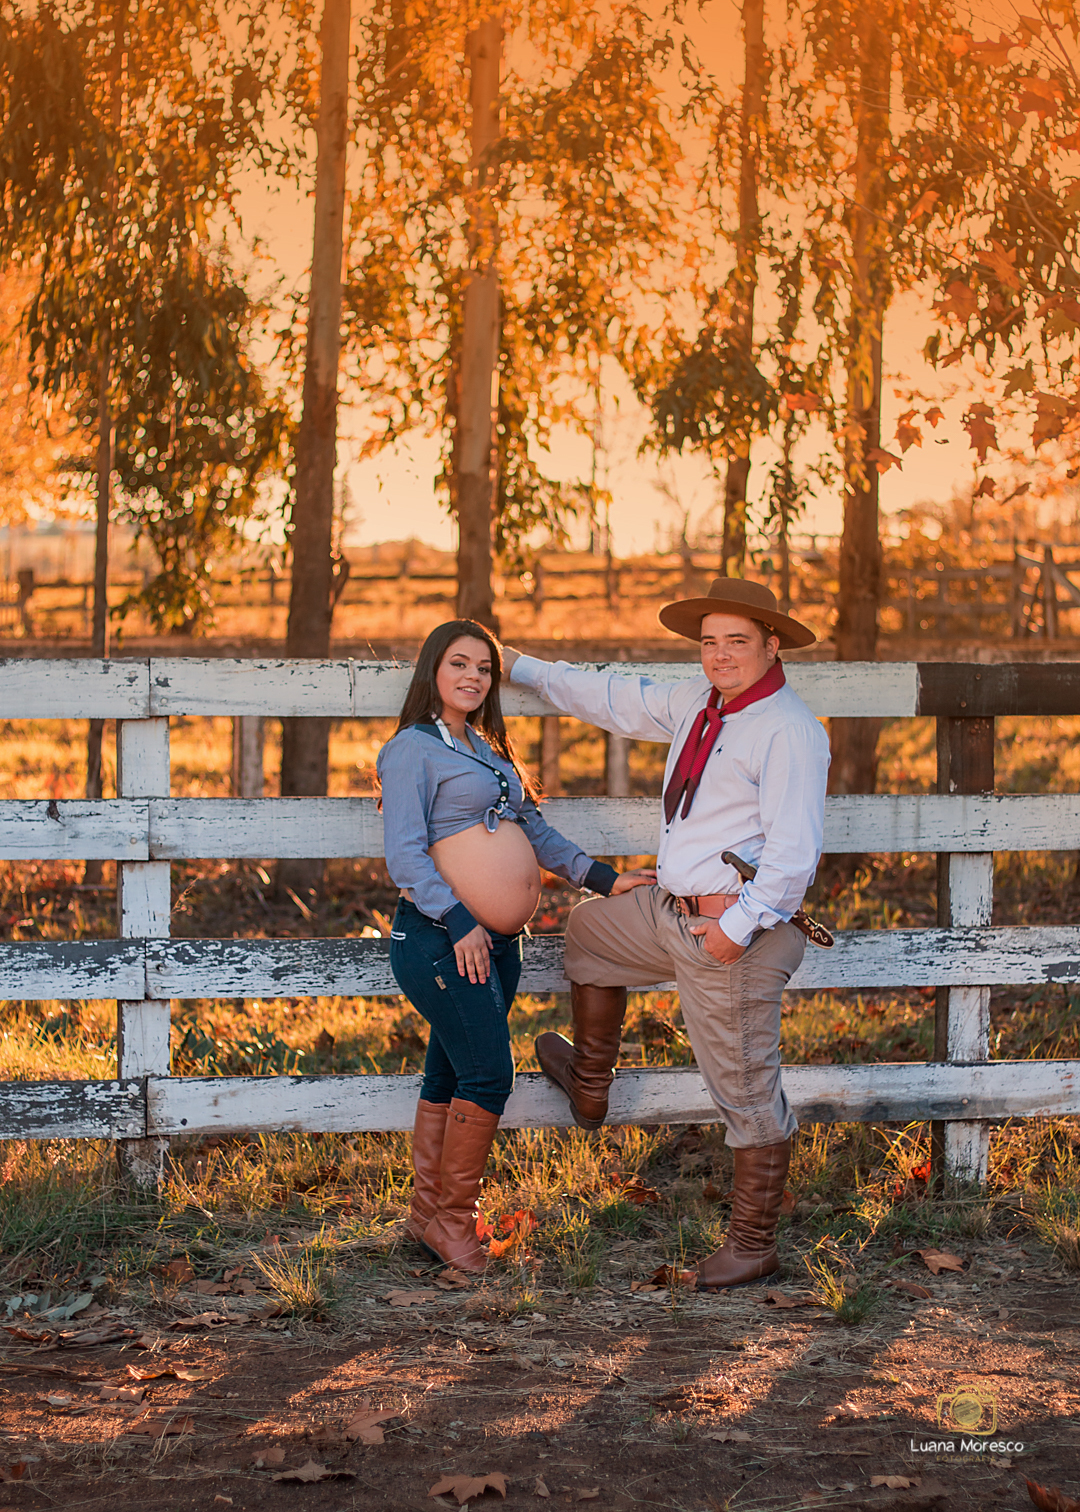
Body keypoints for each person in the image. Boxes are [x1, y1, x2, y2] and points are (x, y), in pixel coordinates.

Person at [503, 578, 830, 1289]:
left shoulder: (789, 731)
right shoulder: (698, 703)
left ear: (772, 646)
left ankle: (752, 1243)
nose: (720, 655)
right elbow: (614, 696)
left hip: (731, 931)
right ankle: (591, 1084)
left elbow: (793, 859)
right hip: (669, 911)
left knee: (743, 1090)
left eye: (736, 642)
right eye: (709, 642)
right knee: (589, 934)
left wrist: (731, 933)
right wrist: (519, 666)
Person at [377, 619, 654, 1274]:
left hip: (497, 944)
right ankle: (452, 1221)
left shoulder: (490, 750)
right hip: (441, 938)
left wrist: (608, 879)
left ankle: (427, 1215)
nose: (472, 676)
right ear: (432, 672)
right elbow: (405, 856)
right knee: (489, 1073)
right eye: (458, 664)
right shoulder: (413, 749)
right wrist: (461, 920)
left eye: (484, 668)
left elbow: (540, 835)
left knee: (449, 1071)